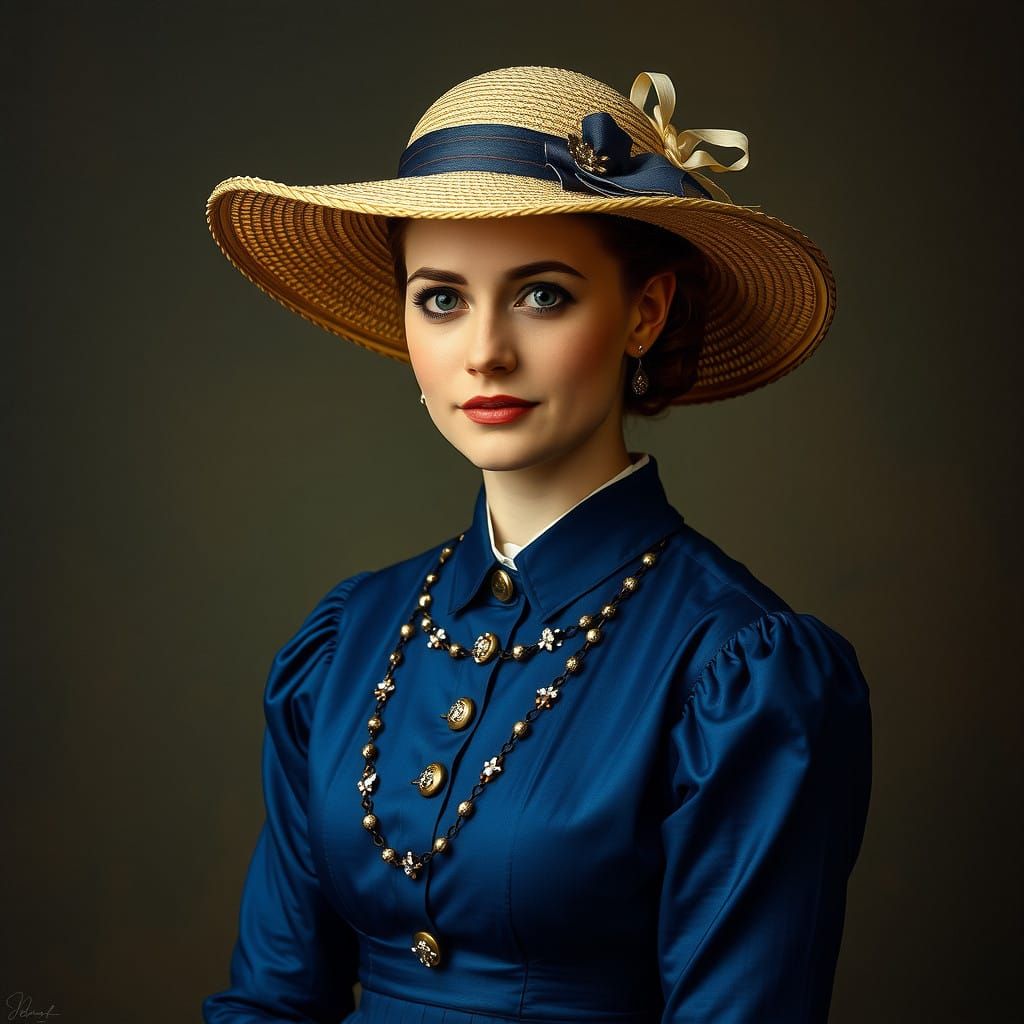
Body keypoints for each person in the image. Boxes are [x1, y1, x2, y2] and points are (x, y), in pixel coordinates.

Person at [201, 65, 872, 1023]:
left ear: (646, 312)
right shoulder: (345, 643)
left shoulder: (739, 675)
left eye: (543, 296)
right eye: (441, 299)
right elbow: (268, 1003)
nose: (485, 351)